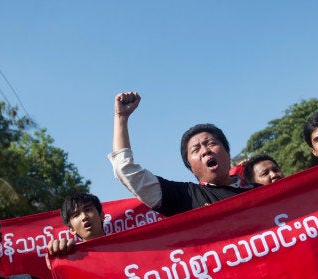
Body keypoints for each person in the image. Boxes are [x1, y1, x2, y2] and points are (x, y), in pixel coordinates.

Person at [109, 92, 255, 217]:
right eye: (196, 150)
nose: (205, 151)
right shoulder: (185, 197)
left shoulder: (262, 190)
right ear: (190, 167)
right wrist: (121, 117)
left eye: (210, 143)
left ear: (227, 151)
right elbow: (126, 171)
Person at [46, 193, 106, 260]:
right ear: (72, 229)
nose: (84, 217)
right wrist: (55, 260)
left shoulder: (120, 245)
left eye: (88, 210)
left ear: (102, 215)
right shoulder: (70, 259)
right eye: (76, 215)